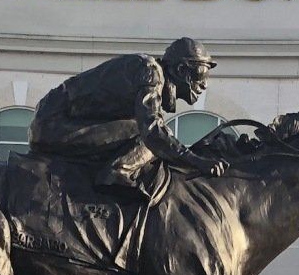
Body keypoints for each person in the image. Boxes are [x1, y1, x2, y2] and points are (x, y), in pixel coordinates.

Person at [28, 37, 226, 198]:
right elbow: (152, 132)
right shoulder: (150, 73)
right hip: (53, 125)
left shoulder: (147, 72)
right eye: (201, 73)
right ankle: (116, 173)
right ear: (181, 70)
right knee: (149, 134)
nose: (205, 84)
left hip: (60, 122)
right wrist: (195, 161)